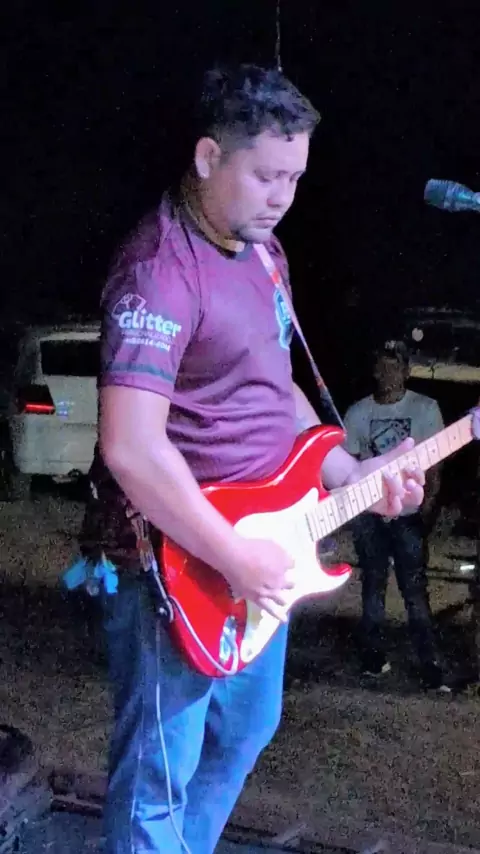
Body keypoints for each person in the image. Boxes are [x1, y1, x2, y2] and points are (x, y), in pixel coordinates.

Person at [71, 66, 425, 854]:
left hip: (266, 541)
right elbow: (130, 445)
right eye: (266, 175)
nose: (282, 197)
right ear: (208, 157)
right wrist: (232, 554)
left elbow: (274, 388)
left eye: (295, 178)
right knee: (160, 773)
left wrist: (348, 473)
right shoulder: (159, 270)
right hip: (178, 561)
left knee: (243, 733)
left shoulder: (265, 253)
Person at [343, 340, 449, 691]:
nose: (388, 374)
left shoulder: (426, 408)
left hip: (409, 515)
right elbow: (349, 466)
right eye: (383, 367)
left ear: (406, 371)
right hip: (370, 517)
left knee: (414, 591)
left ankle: (430, 663)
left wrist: (428, 508)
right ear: (375, 371)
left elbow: (435, 467)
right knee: (372, 586)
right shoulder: (357, 413)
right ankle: (373, 658)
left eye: (395, 367)